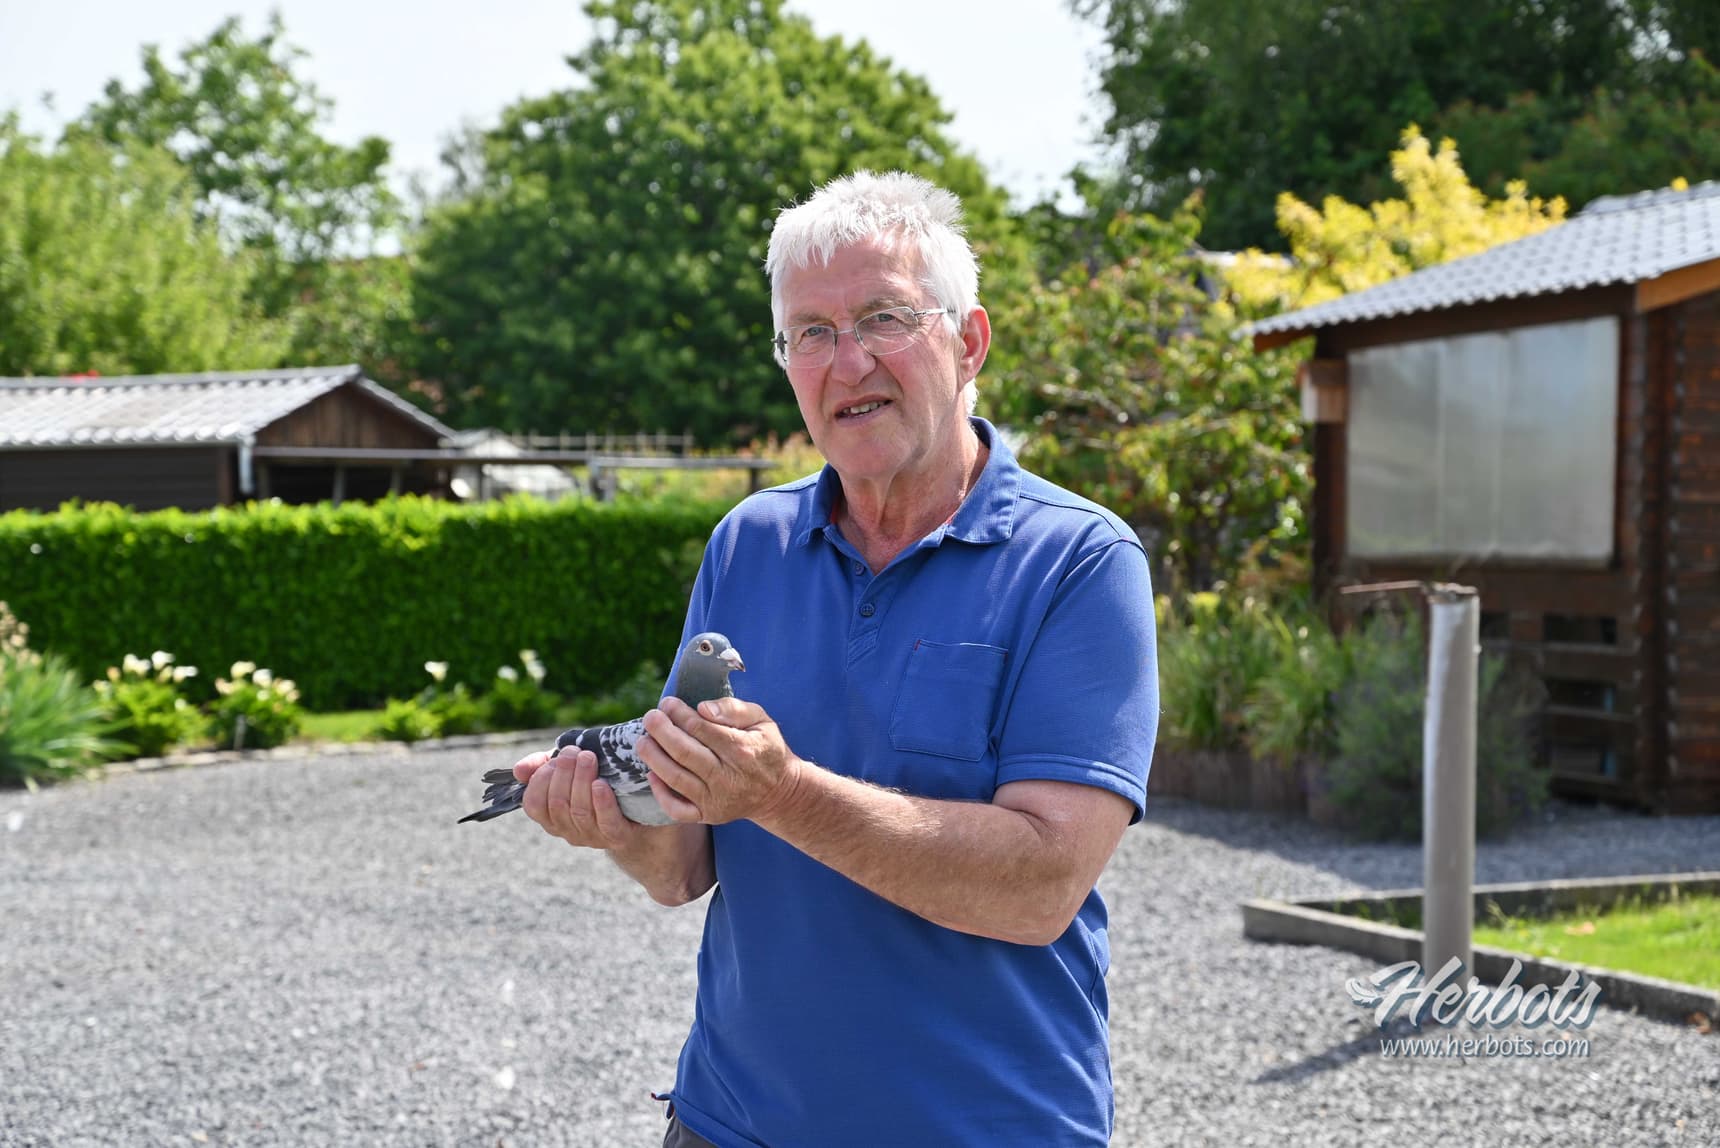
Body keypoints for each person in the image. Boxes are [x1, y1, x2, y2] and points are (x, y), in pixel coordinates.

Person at [510, 170, 1159, 1147]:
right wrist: (615, 821)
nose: (847, 362)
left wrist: (782, 792)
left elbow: (1039, 888)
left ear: (969, 341)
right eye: (809, 332)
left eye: (883, 318)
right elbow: (684, 863)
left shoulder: (1079, 560)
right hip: (729, 1124)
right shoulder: (747, 542)